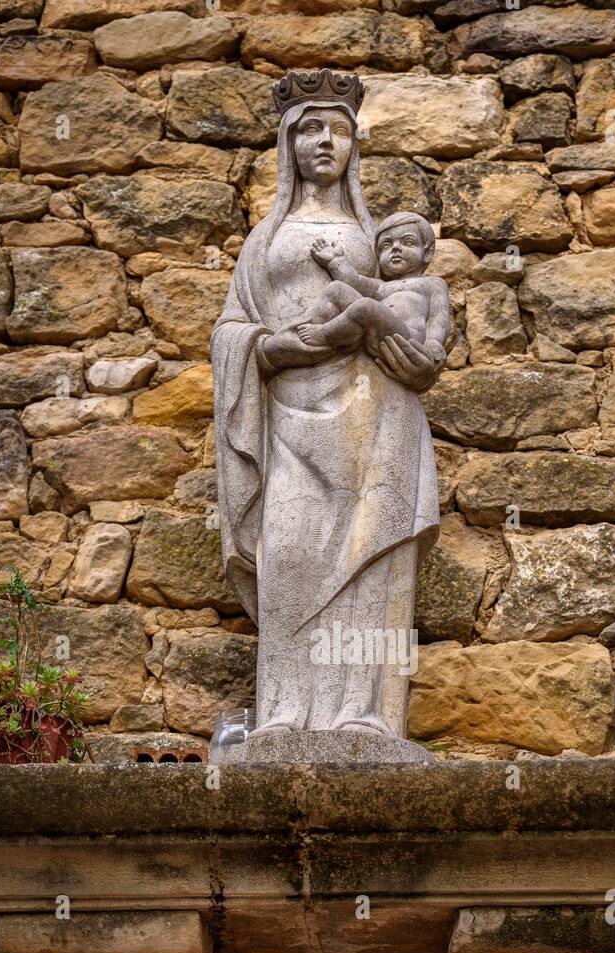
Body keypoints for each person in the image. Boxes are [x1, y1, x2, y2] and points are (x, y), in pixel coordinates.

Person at [210, 69, 446, 744]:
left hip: (374, 414)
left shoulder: (374, 237)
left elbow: (409, 311)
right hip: (286, 410)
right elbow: (230, 327)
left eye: (338, 130)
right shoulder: (264, 240)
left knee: (366, 558)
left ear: (353, 145)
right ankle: (284, 709)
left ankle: (361, 713)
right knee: (288, 552)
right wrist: (267, 346)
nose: (325, 141)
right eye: (310, 128)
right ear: (288, 141)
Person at [295, 212, 451, 362]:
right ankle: (296, 328)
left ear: (428, 253)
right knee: (337, 288)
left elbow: (439, 317)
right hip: (374, 334)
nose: (395, 248)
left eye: (408, 242)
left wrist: (434, 342)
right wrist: (335, 261)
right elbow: (353, 281)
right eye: (386, 245)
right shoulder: (380, 287)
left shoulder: (432, 283)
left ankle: (325, 335)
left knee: (366, 306)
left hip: (406, 339)